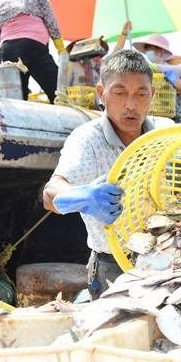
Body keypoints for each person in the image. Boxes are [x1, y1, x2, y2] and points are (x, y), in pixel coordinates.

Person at [43, 50, 156, 299]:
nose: (131, 104)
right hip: (112, 267)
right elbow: (50, 195)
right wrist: (82, 196)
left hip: (166, 262)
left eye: (141, 93)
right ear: (101, 93)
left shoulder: (164, 135)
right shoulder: (87, 140)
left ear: (152, 95)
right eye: (119, 92)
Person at [0, 0, 65, 103]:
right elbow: (51, 23)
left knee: (18, 102)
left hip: (9, 52)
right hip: (34, 48)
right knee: (58, 94)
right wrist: (61, 49)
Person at [132, 33, 181, 120]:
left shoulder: (169, 69)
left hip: (172, 114)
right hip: (153, 114)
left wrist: (157, 68)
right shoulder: (148, 71)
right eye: (147, 49)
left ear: (160, 50)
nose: (148, 51)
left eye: (151, 48)